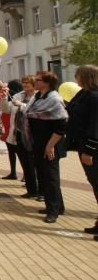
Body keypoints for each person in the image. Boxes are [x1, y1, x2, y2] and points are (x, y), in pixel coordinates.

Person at [26, 71, 68, 223]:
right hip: (37, 143)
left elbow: (62, 126)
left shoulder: (54, 99)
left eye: (38, 80)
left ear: (47, 82)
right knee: (43, 176)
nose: (35, 82)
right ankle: (56, 205)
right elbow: (28, 113)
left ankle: (53, 211)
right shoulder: (37, 97)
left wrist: (50, 145)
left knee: (51, 177)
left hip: (50, 144)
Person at [65, 64, 98, 238]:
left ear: (85, 77)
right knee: (95, 184)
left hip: (92, 148)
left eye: (77, 76)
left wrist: (89, 150)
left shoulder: (94, 97)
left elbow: (95, 126)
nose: (75, 79)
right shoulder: (83, 94)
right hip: (81, 145)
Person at [6, 76, 43, 200]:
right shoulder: (18, 95)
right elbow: (6, 109)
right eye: (24, 83)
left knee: (37, 165)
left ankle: (41, 191)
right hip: (20, 133)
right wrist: (4, 98)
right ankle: (31, 190)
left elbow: (36, 111)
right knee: (26, 164)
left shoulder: (39, 96)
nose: (25, 85)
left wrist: (21, 105)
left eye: (28, 83)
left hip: (33, 135)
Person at [0, 80, 23, 180]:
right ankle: (14, 172)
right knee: (12, 151)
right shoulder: (12, 96)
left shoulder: (17, 97)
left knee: (16, 152)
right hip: (9, 125)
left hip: (11, 125)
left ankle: (19, 173)